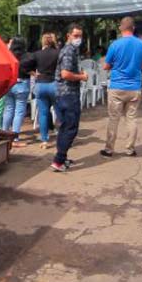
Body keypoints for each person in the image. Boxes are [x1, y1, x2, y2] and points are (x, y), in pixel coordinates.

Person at [100, 17, 142, 158]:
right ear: (133, 28)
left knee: (113, 118)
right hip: (134, 87)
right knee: (131, 118)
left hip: (117, 86)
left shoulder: (115, 45)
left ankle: (109, 149)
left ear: (121, 28)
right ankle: (130, 149)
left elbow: (106, 66)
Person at [51, 23, 89, 172]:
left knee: (65, 127)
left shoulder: (71, 50)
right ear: (68, 36)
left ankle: (62, 157)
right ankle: (58, 160)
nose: (78, 38)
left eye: (80, 35)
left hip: (63, 94)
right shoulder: (69, 51)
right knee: (71, 128)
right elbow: (65, 74)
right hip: (68, 94)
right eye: (76, 35)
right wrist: (82, 77)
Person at [29, 33, 60, 149]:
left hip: (40, 84)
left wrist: (34, 73)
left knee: (43, 113)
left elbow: (24, 66)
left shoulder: (37, 54)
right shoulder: (58, 53)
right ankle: (62, 137)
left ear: (43, 41)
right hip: (54, 84)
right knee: (59, 112)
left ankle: (44, 140)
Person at [1, 37, 34, 144]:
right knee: (19, 112)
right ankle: (15, 136)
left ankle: (3, 132)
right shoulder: (28, 56)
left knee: (8, 109)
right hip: (22, 84)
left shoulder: (7, 54)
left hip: (10, 84)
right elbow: (31, 68)